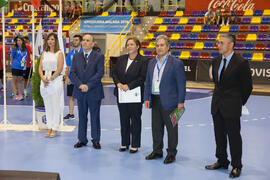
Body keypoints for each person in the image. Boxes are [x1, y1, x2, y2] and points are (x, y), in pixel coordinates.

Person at [205, 33, 253, 178]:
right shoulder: (215, 61)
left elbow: (247, 87)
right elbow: (217, 85)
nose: (218, 45)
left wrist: (238, 102)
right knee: (219, 136)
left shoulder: (241, 63)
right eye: (218, 42)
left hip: (232, 106)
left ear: (231, 45)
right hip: (217, 105)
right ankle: (222, 160)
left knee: (234, 137)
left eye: (221, 42)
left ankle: (236, 165)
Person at [144, 35, 186, 164]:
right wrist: (147, 97)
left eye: (162, 45)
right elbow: (148, 82)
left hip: (171, 102)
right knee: (156, 128)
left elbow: (181, 84)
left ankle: (171, 153)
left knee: (172, 129)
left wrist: (181, 102)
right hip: (155, 100)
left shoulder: (176, 63)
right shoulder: (151, 62)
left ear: (168, 47)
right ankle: (157, 151)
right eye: (157, 45)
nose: (159, 48)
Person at [112, 37, 148, 153]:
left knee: (135, 119)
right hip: (121, 94)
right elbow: (114, 73)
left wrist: (129, 86)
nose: (129, 47)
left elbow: (142, 77)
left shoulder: (143, 60)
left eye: (132, 44)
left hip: (135, 95)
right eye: (127, 45)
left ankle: (135, 144)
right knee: (124, 119)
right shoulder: (121, 59)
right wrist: (118, 83)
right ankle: (124, 142)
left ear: (137, 46)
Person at [71, 33, 104, 150]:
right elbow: (72, 73)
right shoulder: (76, 56)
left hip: (94, 91)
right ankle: (82, 139)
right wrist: (80, 85)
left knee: (95, 117)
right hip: (80, 91)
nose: (85, 42)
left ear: (93, 43)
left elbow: (99, 73)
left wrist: (88, 85)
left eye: (88, 40)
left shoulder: (99, 56)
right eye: (83, 40)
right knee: (82, 116)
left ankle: (96, 140)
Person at [39, 33, 64, 138]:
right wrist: (43, 78)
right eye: (49, 39)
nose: (50, 41)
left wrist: (51, 79)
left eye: (52, 39)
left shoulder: (59, 53)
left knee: (55, 105)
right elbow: (40, 67)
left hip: (55, 81)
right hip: (44, 81)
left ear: (56, 41)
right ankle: (49, 126)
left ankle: (54, 127)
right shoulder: (44, 53)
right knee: (48, 105)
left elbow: (59, 68)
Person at [64, 34, 83, 120]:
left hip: (81, 79)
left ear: (80, 42)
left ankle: (83, 114)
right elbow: (67, 66)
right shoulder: (71, 53)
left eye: (76, 40)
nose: (74, 41)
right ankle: (71, 114)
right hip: (71, 79)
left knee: (81, 97)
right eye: (74, 40)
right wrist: (66, 77)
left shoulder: (84, 52)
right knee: (71, 96)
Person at [10, 36, 28, 100]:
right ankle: (15, 95)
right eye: (17, 40)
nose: (18, 42)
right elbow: (11, 58)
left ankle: (20, 94)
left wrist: (24, 66)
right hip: (15, 67)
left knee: (20, 81)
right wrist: (13, 65)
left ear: (22, 41)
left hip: (22, 67)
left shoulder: (25, 49)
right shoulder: (15, 48)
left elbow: (25, 58)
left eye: (20, 40)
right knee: (14, 80)